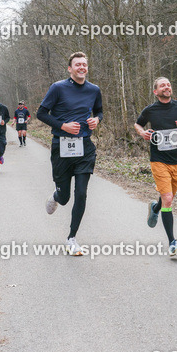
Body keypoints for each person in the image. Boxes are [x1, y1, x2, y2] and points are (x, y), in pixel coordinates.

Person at [36, 52, 103, 256]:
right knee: (65, 197)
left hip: (85, 147)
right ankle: (56, 195)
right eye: (77, 64)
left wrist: (97, 120)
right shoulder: (58, 88)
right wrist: (63, 126)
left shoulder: (94, 90)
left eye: (84, 64)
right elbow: (41, 113)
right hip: (61, 147)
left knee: (81, 193)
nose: (82, 67)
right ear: (70, 68)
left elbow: (99, 111)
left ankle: (72, 238)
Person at [134, 77, 177, 257]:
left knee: (167, 199)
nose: (167, 87)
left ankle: (155, 209)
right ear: (156, 92)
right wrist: (142, 133)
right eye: (162, 85)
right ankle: (172, 242)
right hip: (158, 160)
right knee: (168, 198)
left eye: (168, 84)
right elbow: (138, 123)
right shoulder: (150, 110)